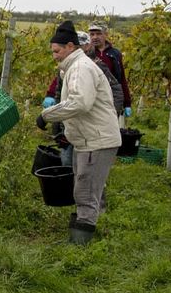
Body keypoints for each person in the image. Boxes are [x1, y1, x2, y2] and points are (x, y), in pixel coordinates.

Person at [36, 21, 121, 245]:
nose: (54, 56)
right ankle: (82, 234)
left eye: (57, 51)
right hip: (88, 139)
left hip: (97, 140)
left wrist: (47, 115)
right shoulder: (74, 66)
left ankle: (80, 246)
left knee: (86, 192)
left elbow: (80, 103)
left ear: (70, 46)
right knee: (83, 189)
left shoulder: (81, 68)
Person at [88, 22, 131, 118]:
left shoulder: (115, 54)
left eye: (99, 34)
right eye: (92, 34)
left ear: (105, 35)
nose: (95, 37)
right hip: (92, 98)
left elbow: (121, 78)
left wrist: (127, 103)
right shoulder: (86, 54)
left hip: (112, 98)